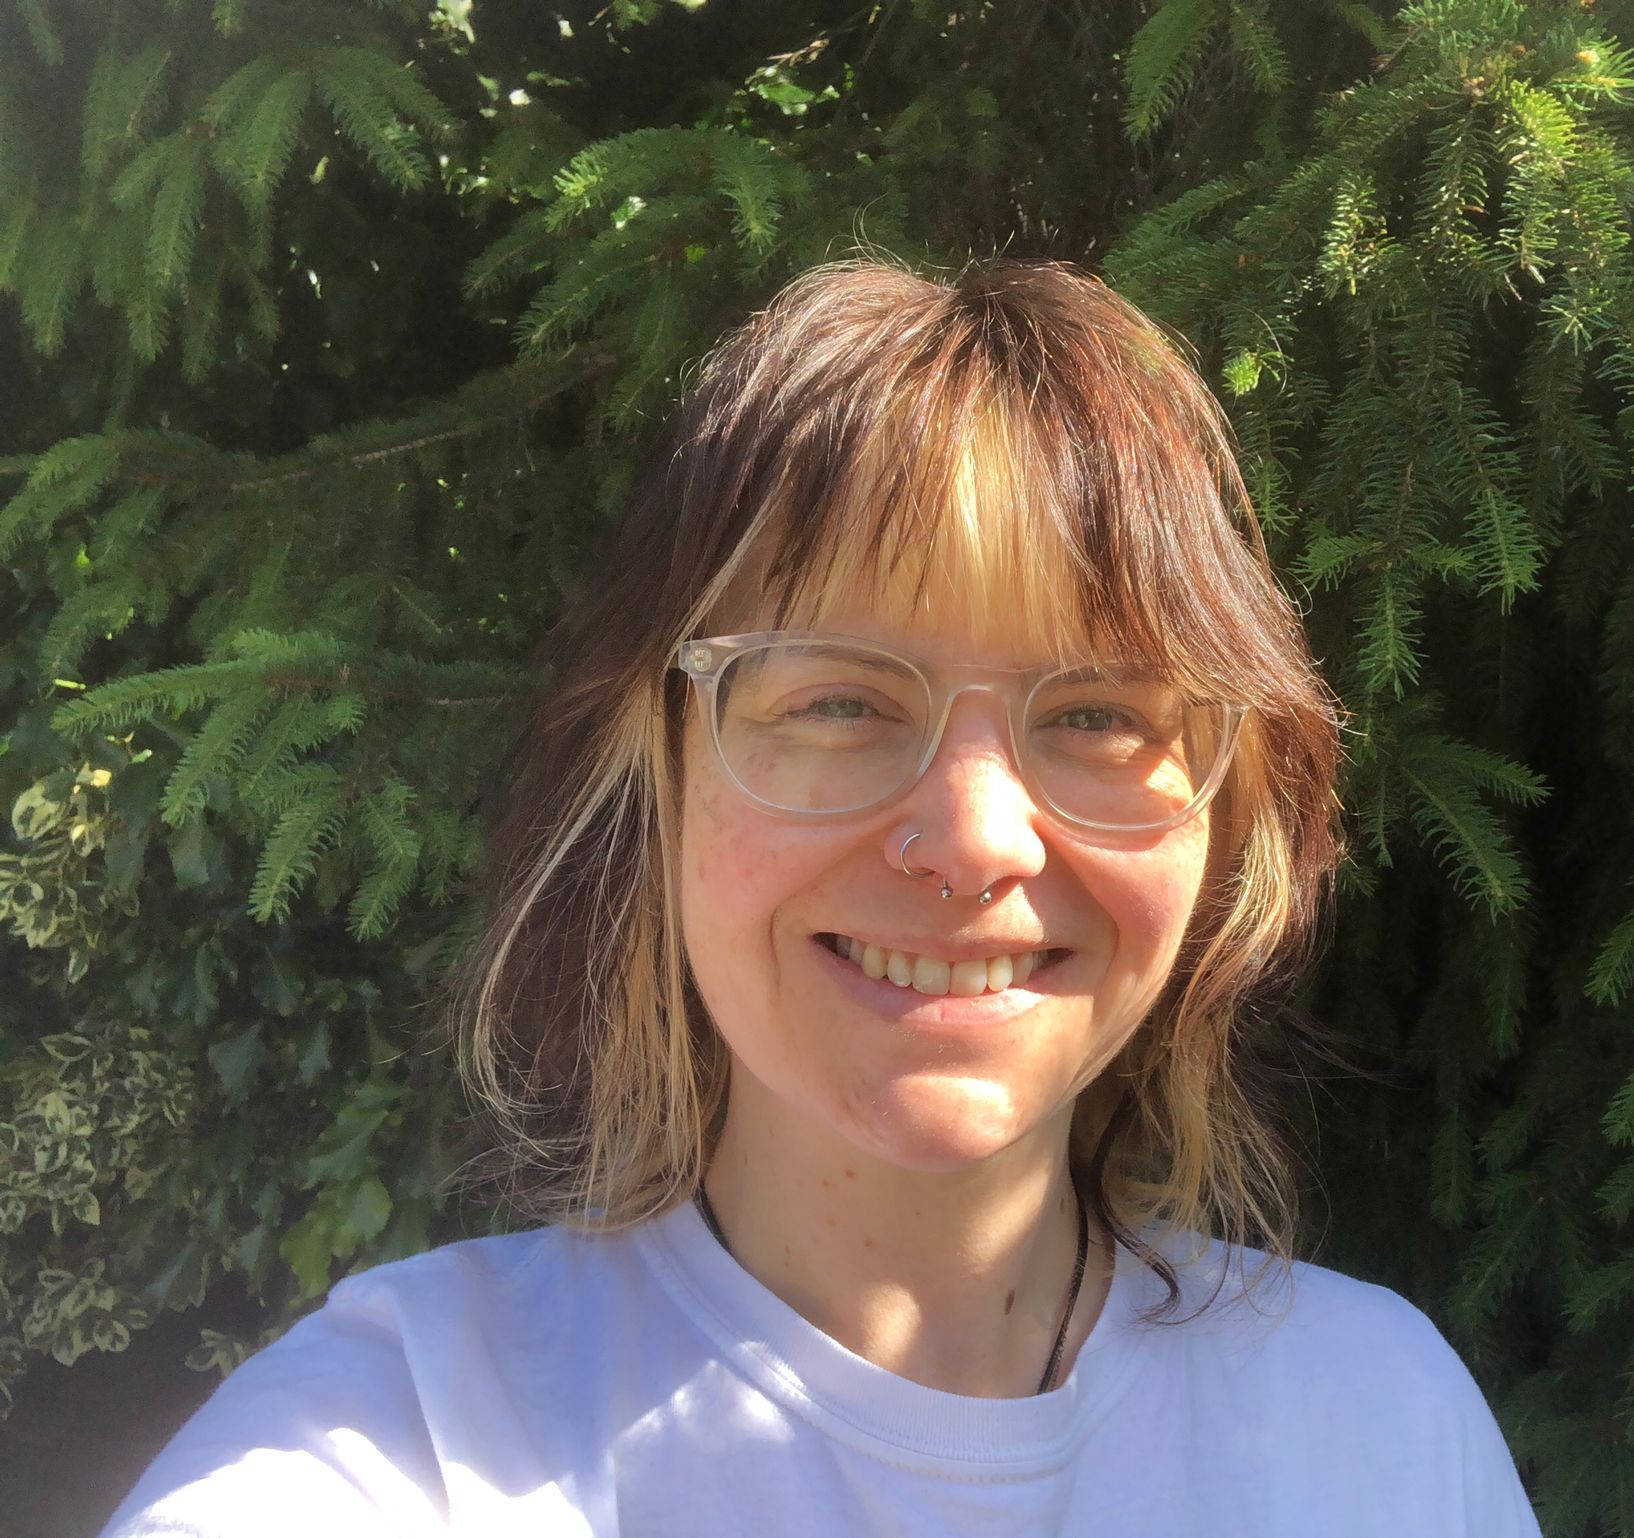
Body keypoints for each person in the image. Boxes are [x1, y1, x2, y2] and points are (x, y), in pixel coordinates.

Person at [102, 258, 1541, 1536]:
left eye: (1101, 714)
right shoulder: (400, 1450)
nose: (977, 841)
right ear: (654, 774)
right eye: (841, 699)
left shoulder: (1385, 1422)